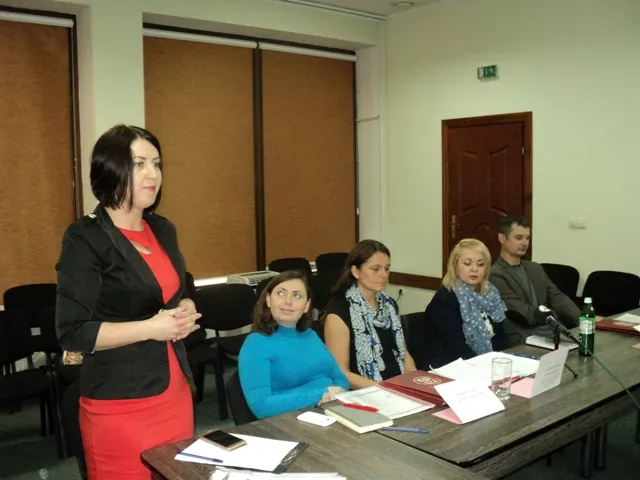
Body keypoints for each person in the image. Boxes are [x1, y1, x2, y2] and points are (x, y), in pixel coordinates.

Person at [56, 125, 201, 480]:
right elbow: (72, 332)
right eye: (139, 164)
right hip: (120, 404)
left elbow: (171, 290)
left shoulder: (163, 228)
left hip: (174, 393)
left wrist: (184, 304)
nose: (153, 174)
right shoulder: (85, 237)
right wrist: (151, 328)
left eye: (156, 163)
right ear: (111, 169)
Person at [239, 270, 348, 419]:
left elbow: (340, 378)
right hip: (288, 420)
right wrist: (321, 394)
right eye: (281, 293)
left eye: (297, 295)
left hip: (330, 410)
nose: (288, 301)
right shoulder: (256, 344)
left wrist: (336, 392)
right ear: (269, 300)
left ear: (306, 305)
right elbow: (260, 406)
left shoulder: (310, 335)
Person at [323, 240, 416, 389]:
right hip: (365, 391)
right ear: (355, 271)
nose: (384, 275)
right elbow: (340, 373)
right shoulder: (339, 312)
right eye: (375, 269)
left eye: (387, 268)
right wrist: (383, 389)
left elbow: (404, 353)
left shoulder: (390, 305)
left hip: (397, 385)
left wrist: (412, 378)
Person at [415, 239, 508, 369]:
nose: (474, 269)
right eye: (467, 263)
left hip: (486, 362)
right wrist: (486, 366)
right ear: (455, 266)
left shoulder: (490, 293)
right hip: (449, 365)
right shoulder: (446, 298)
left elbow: (501, 335)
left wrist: (505, 360)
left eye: (480, 264)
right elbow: (455, 346)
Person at [489, 214, 580, 345]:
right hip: (522, 336)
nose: (525, 242)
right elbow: (520, 312)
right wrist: (552, 315)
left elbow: (557, 296)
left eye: (527, 238)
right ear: (502, 238)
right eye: (519, 237)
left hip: (548, 330)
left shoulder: (535, 268)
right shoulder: (495, 274)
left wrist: (582, 319)